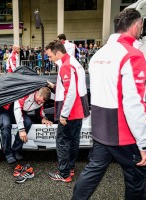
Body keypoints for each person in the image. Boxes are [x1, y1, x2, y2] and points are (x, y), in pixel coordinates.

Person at [72, 8, 146, 200]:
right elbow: (135, 103)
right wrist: (145, 144)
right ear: (136, 26)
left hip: (100, 128)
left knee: (93, 170)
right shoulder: (133, 55)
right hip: (124, 132)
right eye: (141, 26)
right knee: (136, 177)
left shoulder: (98, 55)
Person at [45, 40, 89, 183]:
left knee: (62, 141)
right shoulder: (74, 63)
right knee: (73, 140)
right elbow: (71, 86)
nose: (50, 59)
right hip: (78, 111)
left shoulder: (66, 66)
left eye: (50, 56)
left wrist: (64, 114)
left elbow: (71, 92)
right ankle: (69, 168)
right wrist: (55, 86)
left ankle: (64, 174)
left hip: (70, 112)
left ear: (58, 53)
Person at [0, 87, 53, 164]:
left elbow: (40, 111)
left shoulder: (41, 100)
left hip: (21, 112)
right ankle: (8, 154)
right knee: (6, 125)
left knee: (28, 122)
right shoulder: (27, 93)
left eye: (42, 102)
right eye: (40, 101)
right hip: (7, 110)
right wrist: (21, 130)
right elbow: (17, 110)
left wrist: (43, 118)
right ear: (37, 94)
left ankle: (16, 150)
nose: (40, 103)